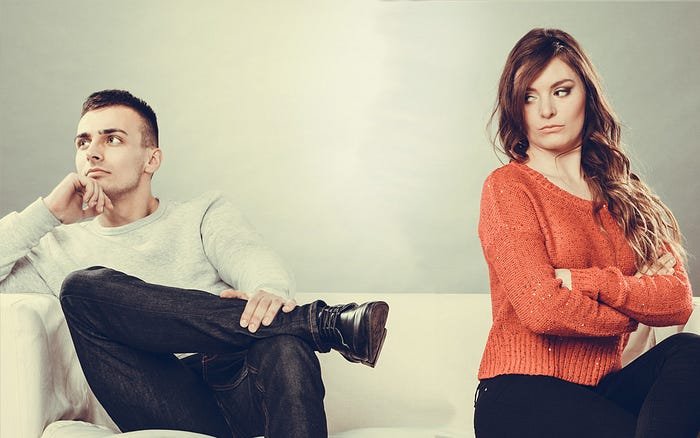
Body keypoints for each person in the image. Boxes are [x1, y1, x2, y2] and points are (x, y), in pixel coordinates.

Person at [0, 89, 389, 438]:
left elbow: (252, 260)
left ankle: (299, 327)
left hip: (239, 383)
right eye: (83, 141)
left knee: (285, 344)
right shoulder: (54, 247)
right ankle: (320, 323)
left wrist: (268, 292)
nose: (93, 153)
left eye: (112, 139)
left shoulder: (203, 214)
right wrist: (48, 212)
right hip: (153, 397)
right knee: (83, 288)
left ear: (152, 159)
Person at [474, 28, 699, 438]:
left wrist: (581, 281)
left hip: (599, 391)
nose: (545, 110)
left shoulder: (627, 197)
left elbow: (678, 301)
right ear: (516, 107)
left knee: (691, 351)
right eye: (529, 96)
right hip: (519, 394)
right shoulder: (508, 187)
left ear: (587, 97)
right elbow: (542, 309)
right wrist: (632, 308)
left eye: (561, 91)